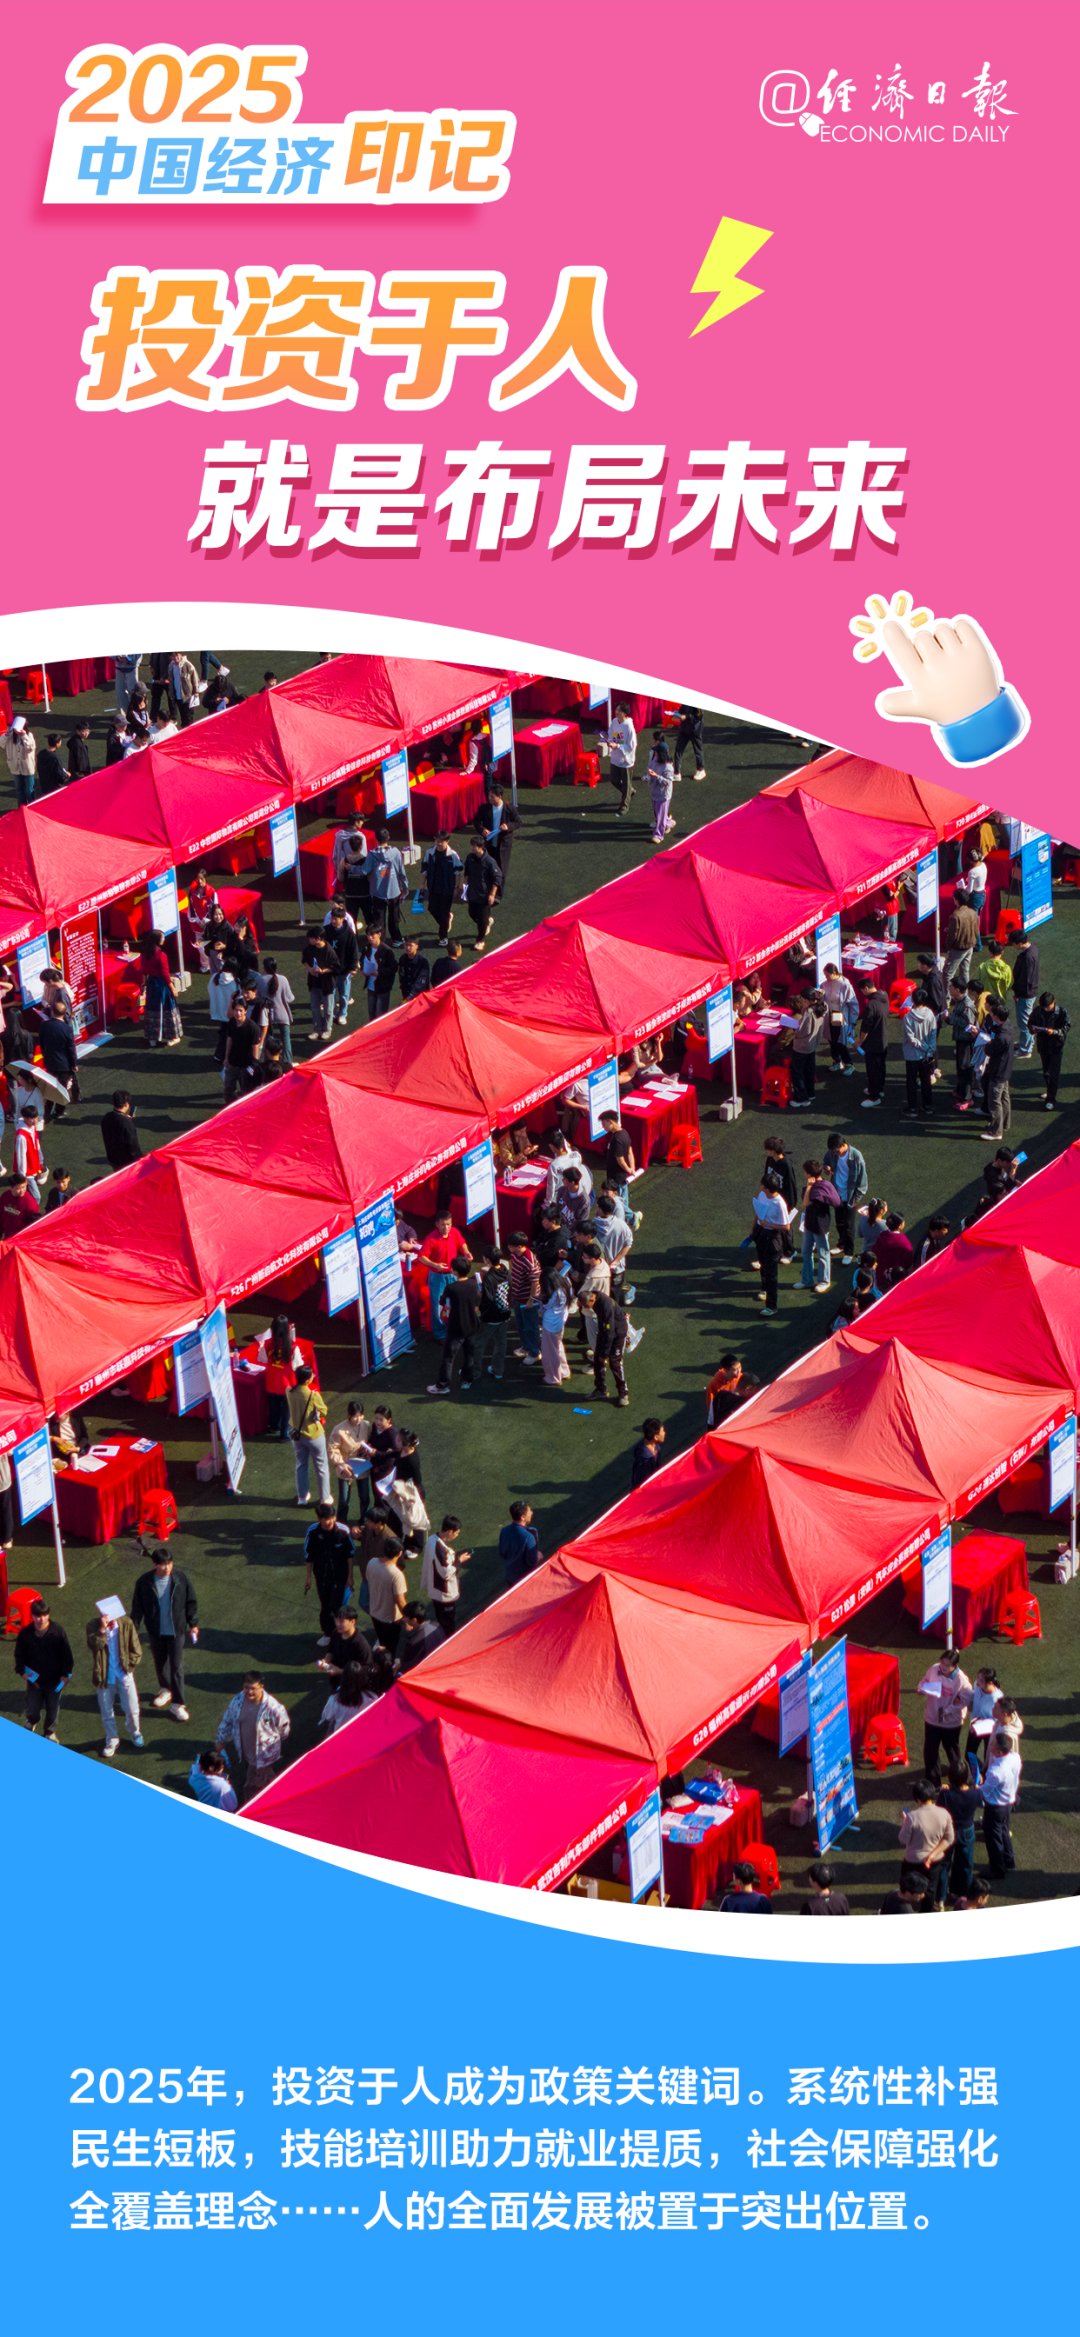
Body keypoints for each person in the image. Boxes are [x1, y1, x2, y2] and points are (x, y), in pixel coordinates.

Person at [129, 1547, 198, 1721]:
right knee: (160, 1664)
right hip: (156, 1631)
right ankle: (166, 1689)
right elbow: (137, 1608)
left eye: (169, 1563)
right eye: (163, 1564)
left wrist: (193, 1623)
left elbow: (190, 1601)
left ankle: (178, 1704)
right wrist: (133, 1629)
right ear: (154, 1565)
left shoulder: (180, 1579)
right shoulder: (144, 1582)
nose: (167, 1567)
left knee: (176, 1667)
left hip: (176, 1631)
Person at [215, 1673, 291, 1803]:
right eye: (246, 1687)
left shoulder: (272, 1707)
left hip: (263, 1754)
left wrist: (272, 1743)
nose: (249, 1692)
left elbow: (284, 1728)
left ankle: (255, 1805)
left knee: (252, 1786)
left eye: (253, 1688)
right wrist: (220, 1739)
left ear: (261, 1687)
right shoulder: (238, 1700)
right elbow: (228, 1720)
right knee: (265, 1779)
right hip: (245, 1752)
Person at [86, 1604, 145, 1756]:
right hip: (104, 1676)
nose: (111, 1620)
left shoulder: (127, 1624)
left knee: (132, 1707)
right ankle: (112, 1739)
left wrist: (128, 1667)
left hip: (124, 1674)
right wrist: (102, 1630)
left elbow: (137, 1651)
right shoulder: (93, 1626)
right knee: (106, 1711)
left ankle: (135, 1732)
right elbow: (93, 1645)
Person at [14, 1598, 73, 1739]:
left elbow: (66, 1655)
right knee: (33, 1708)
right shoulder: (25, 1634)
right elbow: (19, 1655)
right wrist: (22, 1672)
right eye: (38, 1616)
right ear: (32, 1616)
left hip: (54, 1680)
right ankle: (31, 1721)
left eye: (45, 1615)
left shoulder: (58, 1632)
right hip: (34, 1681)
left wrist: (66, 1674)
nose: (42, 1619)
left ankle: (50, 1732)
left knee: (53, 1709)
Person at [426, 1254, 480, 1395]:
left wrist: (448, 1306)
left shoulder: (451, 1288)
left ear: (454, 1271)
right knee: (469, 1355)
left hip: (456, 1327)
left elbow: (442, 1301)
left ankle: (442, 1385)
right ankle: (466, 1380)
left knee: (448, 1358)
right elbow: (476, 1301)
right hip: (471, 1325)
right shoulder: (473, 1283)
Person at [898, 1778, 955, 1909]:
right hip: (935, 1861)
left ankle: (905, 1910)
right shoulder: (944, 1813)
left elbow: (903, 1839)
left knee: (907, 1889)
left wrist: (904, 1822)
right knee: (930, 1891)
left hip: (913, 1861)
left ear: (917, 1799)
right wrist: (931, 1856)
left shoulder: (911, 1817)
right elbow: (949, 1839)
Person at [916, 1649, 972, 1783]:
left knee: (952, 1751)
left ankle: (960, 1779)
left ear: (955, 1666)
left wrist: (947, 1710)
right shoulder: (934, 1669)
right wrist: (921, 1687)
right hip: (932, 1718)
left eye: (948, 1665)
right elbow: (925, 1680)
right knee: (930, 1751)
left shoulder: (961, 1681)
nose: (944, 1667)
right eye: (942, 1663)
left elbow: (965, 1700)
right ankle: (933, 1782)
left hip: (951, 1723)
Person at [303, 1501, 355, 1643]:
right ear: (319, 1519)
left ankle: (340, 1633)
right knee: (325, 1606)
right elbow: (309, 1555)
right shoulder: (312, 1532)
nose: (331, 1521)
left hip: (340, 1576)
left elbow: (349, 1555)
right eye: (327, 1519)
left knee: (336, 1607)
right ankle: (328, 1633)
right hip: (322, 1576)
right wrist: (308, 1577)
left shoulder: (343, 1531)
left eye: (333, 1517)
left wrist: (350, 1576)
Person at [938, 1757, 984, 1903]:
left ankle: (940, 1897)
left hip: (948, 1831)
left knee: (944, 1863)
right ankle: (962, 1894)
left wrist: (942, 1790)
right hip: (967, 1831)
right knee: (965, 1864)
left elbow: (939, 1808)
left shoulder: (946, 1795)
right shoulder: (976, 1793)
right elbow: (979, 1798)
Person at [750, 1170, 792, 1317]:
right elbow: (758, 1212)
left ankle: (771, 1306)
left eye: (762, 1184)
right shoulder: (762, 1195)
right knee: (762, 1263)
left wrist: (768, 1224)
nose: (760, 1186)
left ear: (767, 1188)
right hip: (761, 1234)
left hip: (773, 1238)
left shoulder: (780, 1204)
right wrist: (753, 1230)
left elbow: (786, 1226)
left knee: (771, 1272)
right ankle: (764, 1289)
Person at [981, 1729, 1022, 1879]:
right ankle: (1009, 1861)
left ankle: (998, 1869)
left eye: (992, 1743)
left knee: (993, 1838)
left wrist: (976, 1784)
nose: (990, 1744)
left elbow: (984, 1791)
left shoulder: (996, 1771)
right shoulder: (1015, 1757)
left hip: (995, 1808)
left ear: (998, 1751)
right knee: (1004, 1832)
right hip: (1009, 1803)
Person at [421, 1515, 470, 1635]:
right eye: (456, 1533)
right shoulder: (441, 1550)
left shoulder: (431, 1539)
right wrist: (459, 1561)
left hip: (435, 1590)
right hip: (443, 1594)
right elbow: (447, 1573)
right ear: (450, 1532)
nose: (457, 1536)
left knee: (440, 1619)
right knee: (448, 1624)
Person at [288, 1366, 330, 1505]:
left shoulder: (290, 1392)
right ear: (307, 1380)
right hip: (314, 1435)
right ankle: (324, 1498)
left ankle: (302, 1497)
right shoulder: (313, 1395)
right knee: (321, 1467)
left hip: (297, 1436)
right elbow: (324, 1411)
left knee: (301, 1465)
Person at [583, 1286, 631, 1406]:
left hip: (617, 1334)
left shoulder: (606, 1305)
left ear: (592, 1300)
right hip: (604, 1332)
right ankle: (600, 1390)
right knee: (597, 1360)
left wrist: (604, 1354)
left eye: (586, 1305)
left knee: (615, 1363)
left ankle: (623, 1393)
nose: (585, 1308)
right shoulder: (595, 1298)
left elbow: (610, 1332)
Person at [823, 1134, 867, 1262]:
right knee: (839, 1222)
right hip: (836, 1194)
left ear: (843, 1145)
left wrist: (856, 1198)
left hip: (850, 1196)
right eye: (834, 1152)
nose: (835, 1154)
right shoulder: (831, 1153)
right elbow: (826, 1162)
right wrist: (827, 1168)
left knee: (849, 1225)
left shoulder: (856, 1156)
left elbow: (863, 1180)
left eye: (837, 1151)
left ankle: (849, 1252)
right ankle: (841, 1245)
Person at [798, 1160, 840, 1293]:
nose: (804, 1174)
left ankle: (824, 1282)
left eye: (805, 1172)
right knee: (806, 1251)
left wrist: (809, 1186)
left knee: (823, 1254)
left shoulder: (819, 1188)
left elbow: (805, 1203)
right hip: (809, 1224)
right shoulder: (825, 1184)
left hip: (820, 1226)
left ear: (809, 1175)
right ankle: (807, 1280)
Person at [328, 1401, 373, 1522]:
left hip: (362, 1465)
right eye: (355, 1416)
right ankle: (342, 1523)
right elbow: (333, 1448)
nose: (358, 1419)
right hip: (346, 1466)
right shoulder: (339, 1429)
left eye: (360, 1415)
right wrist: (341, 1463)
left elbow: (371, 1441)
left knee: (364, 1497)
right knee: (344, 1500)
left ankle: (364, 1521)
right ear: (349, 1415)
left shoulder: (366, 1425)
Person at [366, 1533, 408, 1656]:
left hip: (375, 1613)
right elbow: (400, 1600)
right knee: (390, 1649)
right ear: (399, 1553)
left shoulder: (372, 1562)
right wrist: (408, 1618)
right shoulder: (396, 1574)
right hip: (390, 1619)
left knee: (382, 1642)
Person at [598, 1110, 642, 1228]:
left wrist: (628, 1169)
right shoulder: (624, 1133)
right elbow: (630, 1151)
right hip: (621, 1176)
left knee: (619, 1201)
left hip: (617, 1177)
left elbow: (620, 1160)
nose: (603, 1126)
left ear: (610, 1121)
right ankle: (630, 1218)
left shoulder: (616, 1139)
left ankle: (632, 1217)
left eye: (604, 1123)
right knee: (621, 1200)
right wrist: (632, 1167)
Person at [365, 826, 408, 945]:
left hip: (378, 892)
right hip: (394, 891)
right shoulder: (396, 852)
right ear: (388, 838)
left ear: (376, 839)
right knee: (394, 917)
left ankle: (380, 941)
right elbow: (401, 872)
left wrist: (352, 868)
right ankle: (396, 938)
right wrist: (405, 887)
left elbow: (365, 870)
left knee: (378, 918)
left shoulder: (372, 854)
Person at [507, 1229, 543, 1364]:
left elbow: (535, 1281)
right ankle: (526, 1346)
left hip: (527, 1299)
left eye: (511, 1246)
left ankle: (535, 1352)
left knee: (531, 1326)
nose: (508, 1247)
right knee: (520, 1324)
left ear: (519, 1246)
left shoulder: (529, 1260)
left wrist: (531, 1300)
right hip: (517, 1295)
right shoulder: (514, 1254)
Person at [476, 1247, 512, 1380]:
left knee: (479, 1344)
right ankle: (498, 1370)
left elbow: (487, 1299)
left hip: (491, 1316)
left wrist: (480, 1296)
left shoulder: (488, 1277)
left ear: (487, 1259)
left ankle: (474, 1372)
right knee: (501, 1343)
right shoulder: (507, 1273)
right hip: (505, 1313)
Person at [901, 987, 937, 1116]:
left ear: (912, 1000)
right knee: (926, 1080)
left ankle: (912, 1108)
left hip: (912, 1054)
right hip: (927, 1055)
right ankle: (928, 1106)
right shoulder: (930, 1014)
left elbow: (911, 1038)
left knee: (911, 1081)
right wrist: (929, 1050)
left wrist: (922, 1046)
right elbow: (933, 1034)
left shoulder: (908, 1017)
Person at [982, 1002, 1016, 1138]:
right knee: (1004, 1098)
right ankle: (1005, 1124)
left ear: (996, 1017)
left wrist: (988, 1043)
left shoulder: (1001, 1037)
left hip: (998, 1070)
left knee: (995, 1101)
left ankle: (996, 1131)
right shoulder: (1008, 1026)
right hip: (1005, 1070)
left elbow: (989, 1050)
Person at [1030, 990, 1069, 1108]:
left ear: (1053, 1003)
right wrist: (1033, 1029)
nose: (1046, 1009)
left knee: (1054, 1073)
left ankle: (1051, 1099)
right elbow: (1030, 1023)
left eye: (1048, 1007)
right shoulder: (1038, 1011)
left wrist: (1055, 1032)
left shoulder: (1061, 1012)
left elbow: (1066, 1027)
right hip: (1043, 1045)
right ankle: (1049, 1090)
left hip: (1056, 1046)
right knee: (1046, 1071)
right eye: (1044, 1007)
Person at [38, 1002, 78, 1117]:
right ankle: (60, 1110)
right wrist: (74, 1064)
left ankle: (49, 1106)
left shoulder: (44, 1025)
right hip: (63, 1063)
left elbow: (42, 1043)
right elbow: (71, 1048)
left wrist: (45, 1055)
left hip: (49, 1061)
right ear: (65, 1013)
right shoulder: (67, 1029)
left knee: (50, 1085)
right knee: (62, 1087)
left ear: (52, 1012)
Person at [462, 835, 502, 952]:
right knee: (472, 913)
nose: (471, 848)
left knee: (482, 918)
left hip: (484, 896)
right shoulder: (470, 858)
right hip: (472, 892)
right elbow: (467, 872)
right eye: (471, 845)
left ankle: (480, 940)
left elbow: (497, 878)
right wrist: (465, 886)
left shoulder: (489, 862)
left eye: (474, 846)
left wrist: (492, 894)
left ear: (481, 847)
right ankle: (486, 924)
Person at [787, 989, 826, 1107]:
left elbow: (803, 1031)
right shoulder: (821, 1007)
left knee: (797, 1072)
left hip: (802, 1046)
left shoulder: (809, 1012)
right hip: (812, 1045)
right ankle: (810, 1093)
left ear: (806, 999)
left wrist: (794, 1028)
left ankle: (801, 1099)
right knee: (809, 1070)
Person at [421, 834, 463, 942]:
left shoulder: (453, 855)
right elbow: (425, 869)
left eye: (441, 841)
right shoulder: (429, 853)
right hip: (433, 887)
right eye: (437, 841)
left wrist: (456, 887)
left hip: (447, 888)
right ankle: (446, 921)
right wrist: (422, 884)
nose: (439, 844)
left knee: (444, 912)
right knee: (432, 908)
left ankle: (443, 937)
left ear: (447, 841)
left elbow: (457, 872)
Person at [474, 786, 521, 882]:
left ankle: (499, 890)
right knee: (487, 869)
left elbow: (518, 822)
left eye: (492, 796)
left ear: (499, 797)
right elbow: (476, 821)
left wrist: (508, 826)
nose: (489, 798)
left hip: (503, 846)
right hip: (488, 844)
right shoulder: (485, 808)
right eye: (489, 795)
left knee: (501, 870)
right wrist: (482, 829)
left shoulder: (510, 809)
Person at [301, 929, 339, 1045]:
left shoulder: (329, 951)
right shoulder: (309, 949)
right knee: (314, 1008)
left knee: (328, 1009)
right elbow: (304, 960)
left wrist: (323, 971)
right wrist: (309, 969)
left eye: (312, 938)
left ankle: (327, 1029)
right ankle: (317, 1029)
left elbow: (336, 967)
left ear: (318, 938)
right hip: (314, 983)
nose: (310, 940)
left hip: (326, 984)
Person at [221, 1000, 263, 1102]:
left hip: (247, 1065)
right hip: (233, 1062)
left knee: (246, 1092)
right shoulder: (232, 1023)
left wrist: (253, 1066)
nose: (238, 1013)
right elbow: (229, 1040)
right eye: (236, 1010)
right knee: (228, 1090)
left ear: (245, 1011)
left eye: (240, 1010)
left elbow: (255, 1047)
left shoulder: (252, 1028)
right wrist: (226, 1057)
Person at [539, 1263, 573, 1388]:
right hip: (560, 1321)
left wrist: (540, 1299)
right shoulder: (566, 1284)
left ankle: (553, 1377)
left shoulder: (554, 1293)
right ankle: (564, 1371)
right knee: (558, 1347)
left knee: (549, 1352)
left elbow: (547, 1305)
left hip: (550, 1324)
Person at [858, 977, 890, 1107]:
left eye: (862, 991)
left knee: (873, 1071)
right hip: (883, 1040)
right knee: (881, 1067)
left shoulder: (870, 1005)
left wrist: (860, 1041)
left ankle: (874, 1096)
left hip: (873, 1044)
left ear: (866, 988)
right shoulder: (884, 995)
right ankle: (879, 1090)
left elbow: (866, 1026)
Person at [821, 963, 858, 1073]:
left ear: (834, 973)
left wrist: (852, 1021)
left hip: (840, 1016)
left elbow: (853, 1004)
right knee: (831, 1039)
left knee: (840, 1041)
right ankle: (837, 1061)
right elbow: (823, 999)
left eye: (828, 975)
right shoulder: (825, 984)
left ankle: (849, 1064)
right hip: (829, 1015)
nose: (826, 978)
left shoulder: (845, 985)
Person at [603, 702, 638, 815]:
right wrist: (609, 741)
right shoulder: (614, 721)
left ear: (624, 713)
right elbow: (611, 733)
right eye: (616, 710)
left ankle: (624, 805)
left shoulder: (629, 727)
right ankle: (629, 792)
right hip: (615, 758)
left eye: (619, 710)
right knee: (614, 779)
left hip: (626, 760)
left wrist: (617, 746)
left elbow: (631, 746)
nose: (616, 712)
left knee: (626, 783)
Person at [326, 906, 359, 1023]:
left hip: (344, 970)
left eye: (336, 919)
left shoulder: (349, 933)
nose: (333, 921)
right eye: (332, 918)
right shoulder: (326, 931)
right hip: (330, 970)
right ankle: (332, 1013)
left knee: (344, 994)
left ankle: (342, 1014)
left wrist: (353, 967)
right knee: (330, 994)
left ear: (342, 919)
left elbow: (354, 951)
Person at [320, 1661, 376, 1730]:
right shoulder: (372, 1697)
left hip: (343, 1733)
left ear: (344, 1678)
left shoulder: (334, 1699)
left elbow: (328, 1716)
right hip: (363, 1730)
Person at [943, 891, 981, 990]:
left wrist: (948, 947)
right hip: (970, 947)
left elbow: (952, 936)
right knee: (964, 972)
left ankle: (947, 997)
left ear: (956, 900)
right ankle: (964, 994)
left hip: (958, 949)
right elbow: (976, 928)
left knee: (947, 974)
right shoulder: (973, 912)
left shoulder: (955, 916)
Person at [500, 1499, 541, 1589]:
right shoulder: (528, 1537)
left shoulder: (504, 1530)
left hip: (510, 1577)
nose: (531, 1512)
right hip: (526, 1580)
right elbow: (532, 1562)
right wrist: (538, 1556)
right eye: (529, 1511)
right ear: (522, 1517)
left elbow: (502, 1553)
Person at [1011, 935, 1040, 1056]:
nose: (1012, 946)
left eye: (1013, 943)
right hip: (1029, 992)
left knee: (1024, 1023)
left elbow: (1025, 979)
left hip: (1025, 994)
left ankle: (1025, 1050)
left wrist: (1018, 994)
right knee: (1027, 1020)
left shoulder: (1028, 957)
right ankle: (1026, 1043)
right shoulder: (1032, 950)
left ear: (1019, 943)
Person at [646, 731, 677, 843]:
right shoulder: (655, 760)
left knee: (660, 816)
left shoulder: (668, 768)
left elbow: (668, 782)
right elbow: (650, 768)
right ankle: (669, 822)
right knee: (658, 812)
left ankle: (659, 835)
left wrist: (656, 776)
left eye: (656, 752)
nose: (654, 753)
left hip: (663, 795)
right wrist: (648, 776)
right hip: (655, 791)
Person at [398, 1600, 447, 1672]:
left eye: (405, 1617)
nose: (404, 1619)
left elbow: (408, 1665)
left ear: (414, 1620)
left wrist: (399, 1663)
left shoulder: (415, 1641)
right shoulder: (436, 1625)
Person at [362, 924, 398, 1020]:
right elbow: (362, 960)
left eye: (372, 935)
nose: (370, 938)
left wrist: (380, 973)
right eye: (368, 935)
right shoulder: (366, 948)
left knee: (380, 1015)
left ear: (379, 934)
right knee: (371, 1012)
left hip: (382, 987)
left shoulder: (387, 951)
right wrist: (363, 970)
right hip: (370, 986)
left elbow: (393, 968)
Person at [871, 1210, 912, 1288]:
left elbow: (874, 1252)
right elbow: (908, 1261)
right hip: (898, 1276)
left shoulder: (882, 1236)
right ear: (900, 1226)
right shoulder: (903, 1241)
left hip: (882, 1275)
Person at [13, 1105, 47, 1201]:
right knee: (36, 1197)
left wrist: (41, 1161)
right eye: (32, 1118)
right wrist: (22, 1175)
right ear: (25, 1118)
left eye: (36, 1118)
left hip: (33, 1166)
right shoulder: (21, 1136)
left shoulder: (31, 1128)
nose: (35, 1121)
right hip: (27, 1172)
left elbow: (37, 1144)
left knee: (28, 1194)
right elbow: (21, 1156)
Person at [3, 714, 37, 805]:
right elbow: (1, 744)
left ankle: (31, 806)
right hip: (16, 767)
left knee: (29, 790)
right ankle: (21, 807)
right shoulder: (10, 736)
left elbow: (30, 748)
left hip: (27, 768)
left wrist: (24, 736)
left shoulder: (29, 735)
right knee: (19, 789)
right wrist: (6, 735)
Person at [706, 1355, 745, 1428]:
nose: (739, 1371)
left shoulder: (742, 1378)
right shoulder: (714, 1384)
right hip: (724, 1419)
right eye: (735, 1370)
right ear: (726, 1370)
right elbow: (711, 1405)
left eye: (740, 1367)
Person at [672, 703, 705, 780]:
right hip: (684, 728)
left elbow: (698, 715)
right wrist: (678, 711)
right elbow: (684, 708)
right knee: (678, 750)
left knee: (697, 750)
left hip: (695, 729)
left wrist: (686, 716)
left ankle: (700, 770)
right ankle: (677, 773)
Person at [631, 1418, 666, 1488]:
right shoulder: (644, 1462)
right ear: (656, 1437)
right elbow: (640, 1484)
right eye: (662, 1431)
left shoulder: (655, 1447)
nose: (664, 1433)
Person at [397, 933, 431, 1002]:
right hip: (406, 995)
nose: (408, 948)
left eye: (410, 945)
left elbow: (421, 981)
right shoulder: (403, 959)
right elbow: (401, 974)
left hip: (419, 997)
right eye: (406, 945)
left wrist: (411, 995)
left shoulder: (422, 962)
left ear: (416, 946)